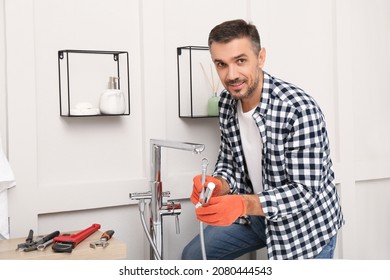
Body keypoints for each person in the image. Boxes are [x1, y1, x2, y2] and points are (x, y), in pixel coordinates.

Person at [182, 19, 344, 260]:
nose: (231, 75)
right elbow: (229, 161)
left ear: (260, 57)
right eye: (221, 64)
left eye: (240, 61)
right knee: (193, 256)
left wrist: (241, 204)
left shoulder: (298, 109)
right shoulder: (227, 103)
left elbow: (305, 192)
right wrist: (217, 184)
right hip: (256, 218)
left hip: (305, 228)